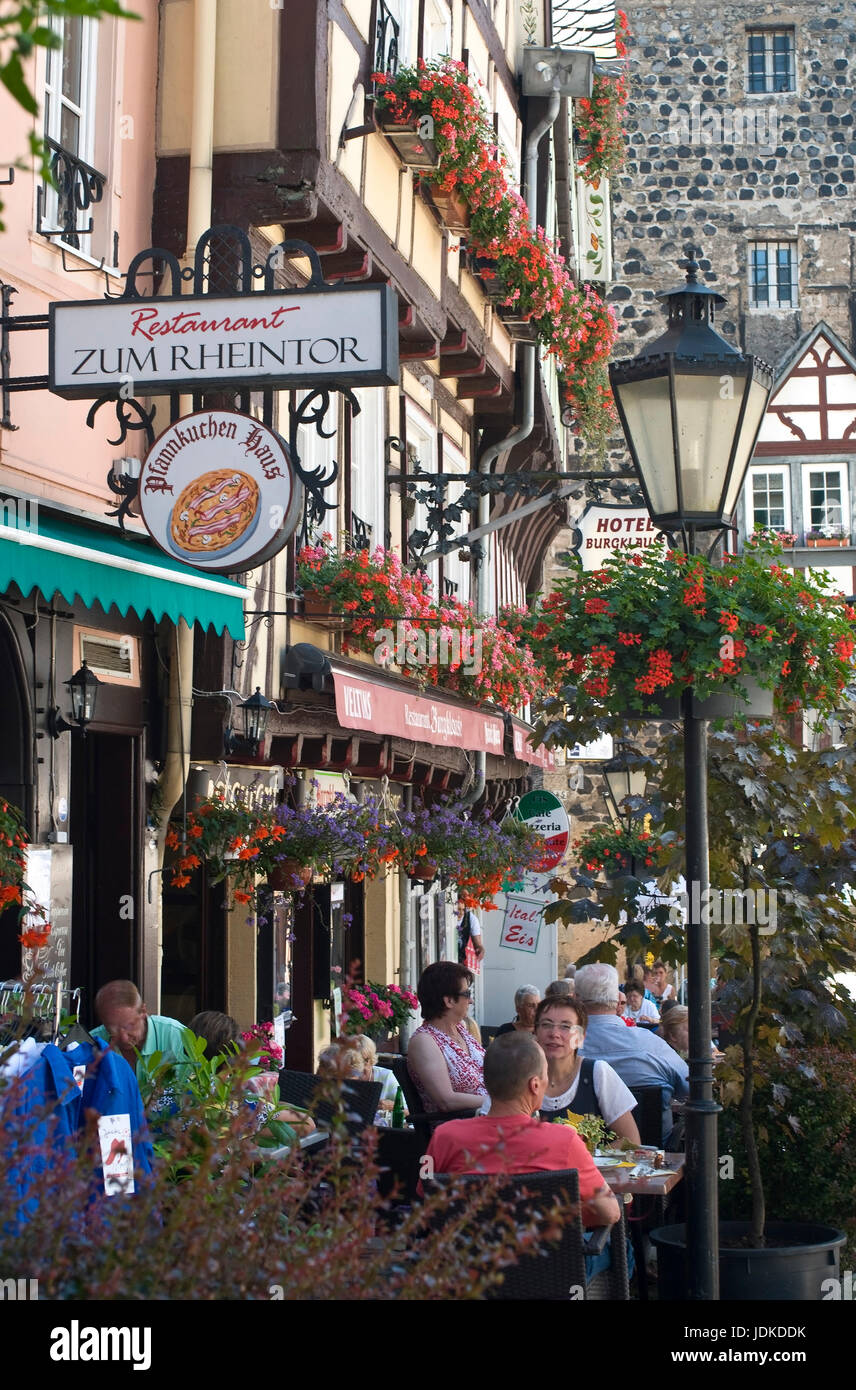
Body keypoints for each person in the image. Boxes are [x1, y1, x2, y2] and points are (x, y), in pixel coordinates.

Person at [423, 1032, 620, 1229]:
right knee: (622, 1247)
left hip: (468, 1256)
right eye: (546, 1075)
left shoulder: (444, 1136)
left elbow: (426, 1201)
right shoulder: (564, 1141)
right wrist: (549, 1219)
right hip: (549, 1257)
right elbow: (609, 1212)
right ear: (534, 1085)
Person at [575, 963, 688, 1143]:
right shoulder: (651, 1044)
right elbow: (689, 1088)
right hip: (655, 1157)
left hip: (584, 1156)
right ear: (618, 1000)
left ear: (577, 1001)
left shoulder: (564, 1051)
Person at [534, 996, 640, 1143]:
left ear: (580, 1037)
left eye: (565, 1026)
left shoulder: (597, 1073)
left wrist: (587, 1159)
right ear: (535, 1033)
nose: (554, 1034)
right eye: (546, 1024)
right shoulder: (519, 1076)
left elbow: (631, 1141)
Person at [407, 961, 487, 1113]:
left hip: (489, 1119)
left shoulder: (461, 1030)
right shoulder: (424, 1041)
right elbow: (446, 1100)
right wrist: (499, 1102)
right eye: (467, 994)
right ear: (449, 1000)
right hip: (460, 1128)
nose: (471, 1000)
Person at [93, 980, 190, 1085]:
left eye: (129, 1026)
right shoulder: (91, 1042)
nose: (124, 1038)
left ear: (143, 1011)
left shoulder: (176, 1036)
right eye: (112, 1029)